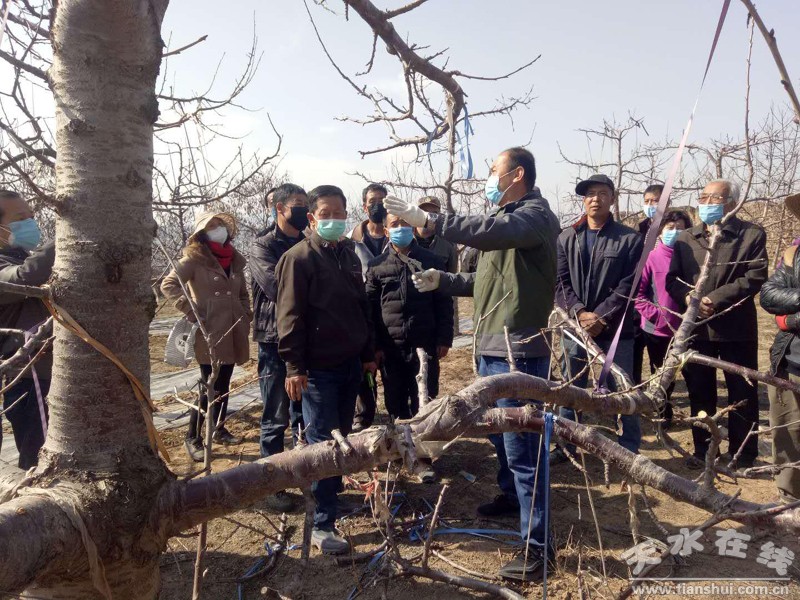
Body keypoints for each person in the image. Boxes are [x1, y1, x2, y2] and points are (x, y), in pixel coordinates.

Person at [385, 146, 561, 582]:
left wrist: (430, 221)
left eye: (494, 169)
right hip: (491, 346)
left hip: (518, 349)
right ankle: (511, 499)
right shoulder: (505, 223)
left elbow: (487, 231)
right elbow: (484, 280)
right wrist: (442, 281)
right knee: (501, 438)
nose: (488, 177)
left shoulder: (535, 216)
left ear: (516, 174)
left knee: (525, 451)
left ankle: (539, 549)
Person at [277, 185, 377, 555]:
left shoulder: (348, 254)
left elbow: (361, 307)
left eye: (339, 213)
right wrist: (294, 366)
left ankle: (330, 501)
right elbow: (289, 317)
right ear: (312, 218)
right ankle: (320, 524)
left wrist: (367, 353)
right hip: (317, 370)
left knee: (343, 437)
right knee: (323, 443)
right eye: (326, 214)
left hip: (349, 364)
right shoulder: (299, 258)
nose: (334, 219)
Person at [666, 179, 767, 469]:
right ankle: (703, 450)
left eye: (715, 198)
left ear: (732, 203)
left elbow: (754, 276)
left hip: (736, 328)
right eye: (703, 197)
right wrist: (689, 298)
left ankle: (743, 454)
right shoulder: (687, 238)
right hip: (697, 328)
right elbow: (672, 279)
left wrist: (715, 299)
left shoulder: (750, 234)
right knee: (700, 391)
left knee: (742, 393)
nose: (707, 203)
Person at [554, 174, 644, 457]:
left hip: (616, 329)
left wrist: (601, 316)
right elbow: (560, 282)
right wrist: (580, 313)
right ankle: (566, 445)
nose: (596, 199)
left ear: (612, 199)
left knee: (624, 389)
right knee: (571, 388)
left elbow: (629, 285)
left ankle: (629, 448)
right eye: (590, 194)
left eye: (602, 193)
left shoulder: (630, 239)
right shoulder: (567, 237)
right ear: (584, 200)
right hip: (575, 328)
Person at [365, 211, 454, 482]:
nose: (400, 228)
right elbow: (370, 310)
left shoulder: (431, 261)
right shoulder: (377, 266)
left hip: (424, 346)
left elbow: (444, 303)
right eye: (394, 224)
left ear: (413, 226)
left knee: (424, 400)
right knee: (394, 401)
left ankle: (423, 458)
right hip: (390, 347)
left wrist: (444, 338)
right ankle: (399, 452)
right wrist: (374, 346)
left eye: (405, 223)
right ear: (386, 230)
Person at [161, 211, 252, 462]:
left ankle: (218, 428)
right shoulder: (194, 259)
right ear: (201, 233)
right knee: (208, 384)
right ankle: (192, 436)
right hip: (209, 331)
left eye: (220, 224)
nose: (217, 228)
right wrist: (192, 311)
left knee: (225, 382)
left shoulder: (234, 259)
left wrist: (246, 313)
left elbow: (243, 293)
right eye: (211, 226)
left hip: (233, 328)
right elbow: (169, 284)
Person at [250, 183, 308, 512]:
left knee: (303, 412)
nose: (303, 210)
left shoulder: (308, 242)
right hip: (274, 339)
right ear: (280, 208)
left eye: (305, 204)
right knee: (275, 413)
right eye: (297, 204)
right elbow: (277, 288)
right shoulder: (263, 246)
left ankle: (303, 471)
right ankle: (270, 484)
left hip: (305, 338)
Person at [0, 190, 54, 469]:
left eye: (31, 216)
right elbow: (24, 278)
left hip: (48, 369)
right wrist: (65, 240)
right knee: (39, 458)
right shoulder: (9, 265)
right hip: (27, 374)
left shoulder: (22, 256)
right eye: (21, 218)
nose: (30, 223)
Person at [634, 209, 693, 428]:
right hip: (656, 329)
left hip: (687, 329)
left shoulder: (693, 259)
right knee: (659, 373)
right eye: (670, 228)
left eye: (680, 228)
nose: (675, 232)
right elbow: (638, 295)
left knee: (686, 373)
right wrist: (657, 316)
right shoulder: (650, 257)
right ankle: (662, 412)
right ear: (660, 231)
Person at [759, 192, 800, 504]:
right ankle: (789, 501)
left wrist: (790, 319)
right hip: (791, 362)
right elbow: (769, 295)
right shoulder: (793, 253)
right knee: (788, 435)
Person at [348, 183, 389, 432]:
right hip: (363, 318)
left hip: (392, 318)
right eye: (373, 201)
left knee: (394, 378)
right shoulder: (350, 242)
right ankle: (363, 423)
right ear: (364, 206)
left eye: (382, 200)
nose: (378, 205)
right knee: (365, 376)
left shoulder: (398, 235)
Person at [633, 184, 664, 385]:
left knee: (659, 356)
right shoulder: (640, 229)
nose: (651, 205)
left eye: (655, 201)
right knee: (635, 348)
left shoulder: (675, 228)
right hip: (640, 296)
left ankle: (660, 392)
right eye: (647, 201)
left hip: (662, 297)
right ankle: (634, 387)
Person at [413, 196, 458, 274]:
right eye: (424, 211)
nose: (429, 216)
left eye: (434, 213)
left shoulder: (448, 243)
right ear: (417, 213)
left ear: (439, 215)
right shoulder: (404, 238)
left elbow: (451, 276)